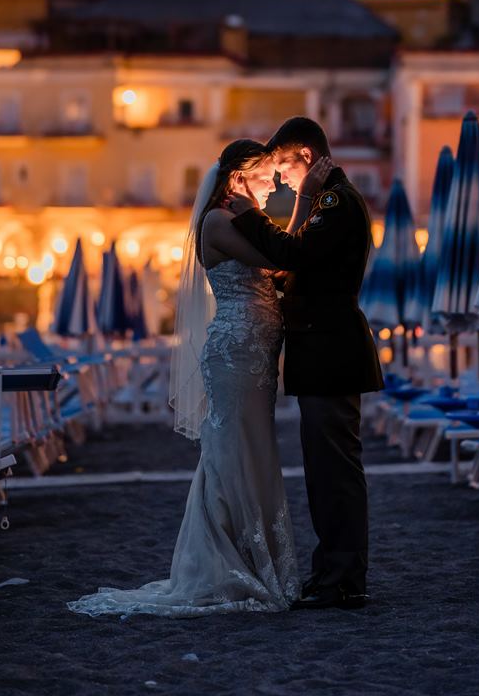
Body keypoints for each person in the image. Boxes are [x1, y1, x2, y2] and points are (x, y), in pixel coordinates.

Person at [69, 138, 327, 619]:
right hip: (235, 351)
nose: (273, 182)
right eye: (265, 173)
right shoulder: (218, 223)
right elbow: (283, 258)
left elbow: (278, 258)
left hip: (254, 351)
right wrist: (307, 202)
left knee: (253, 448)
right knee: (233, 450)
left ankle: (254, 558)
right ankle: (229, 563)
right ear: (237, 176)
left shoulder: (244, 222)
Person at [229, 117, 384, 611]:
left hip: (331, 353)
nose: (283, 181)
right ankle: (330, 572)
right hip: (322, 353)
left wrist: (246, 216)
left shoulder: (336, 202)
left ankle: (344, 579)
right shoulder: (322, 202)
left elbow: (296, 253)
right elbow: (302, 266)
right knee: (322, 471)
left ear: (306, 157)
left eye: (285, 170)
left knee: (334, 470)